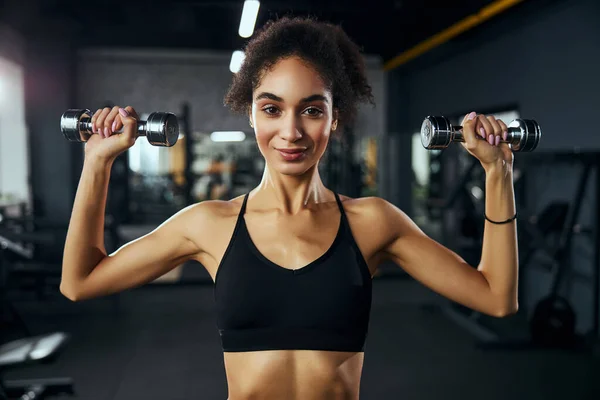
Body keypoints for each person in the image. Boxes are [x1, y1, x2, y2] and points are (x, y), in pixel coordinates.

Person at [60, 16, 519, 400]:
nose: (292, 131)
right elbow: (79, 283)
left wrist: (497, 174)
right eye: (273, 109)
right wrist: (97, 163)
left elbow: (496, 298)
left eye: (312, 110)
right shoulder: (208, 225)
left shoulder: (373, 222)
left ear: (334, 118)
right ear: (252, 115)